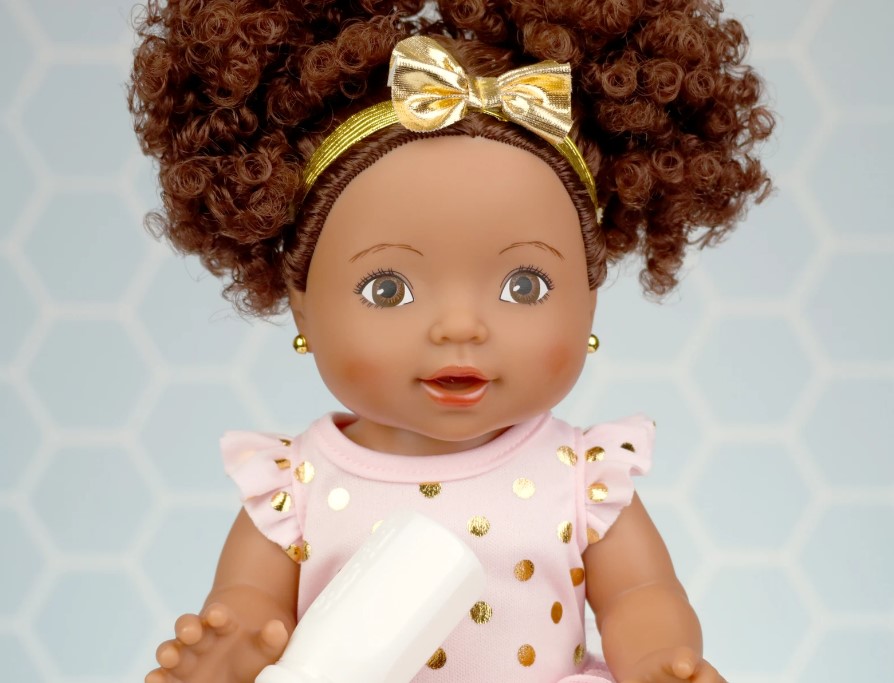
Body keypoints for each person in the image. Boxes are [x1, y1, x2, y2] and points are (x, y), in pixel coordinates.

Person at [129, 1, 773, 681]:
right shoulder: (294, 487)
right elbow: (251, 602)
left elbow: (641, 594)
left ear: (589, 297)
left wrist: (657, 660)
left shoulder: (583, 475)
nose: (460, 327)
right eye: (387, 289)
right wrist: (232, 648)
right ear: (302, 306)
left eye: (524, 285)